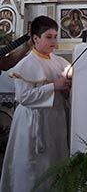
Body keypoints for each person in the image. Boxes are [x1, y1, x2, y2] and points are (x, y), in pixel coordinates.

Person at [0, 15, 71, 191]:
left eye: (55, 36)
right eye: (48, 37)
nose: (53, 41)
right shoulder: (26, 64)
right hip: (32, 123)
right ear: (35, 38)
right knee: (32, 169)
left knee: (55, 165)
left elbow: (66, 91)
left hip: (55, 122)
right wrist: (53, 86)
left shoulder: (60, 62)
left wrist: (67, 90)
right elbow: (24, 98)